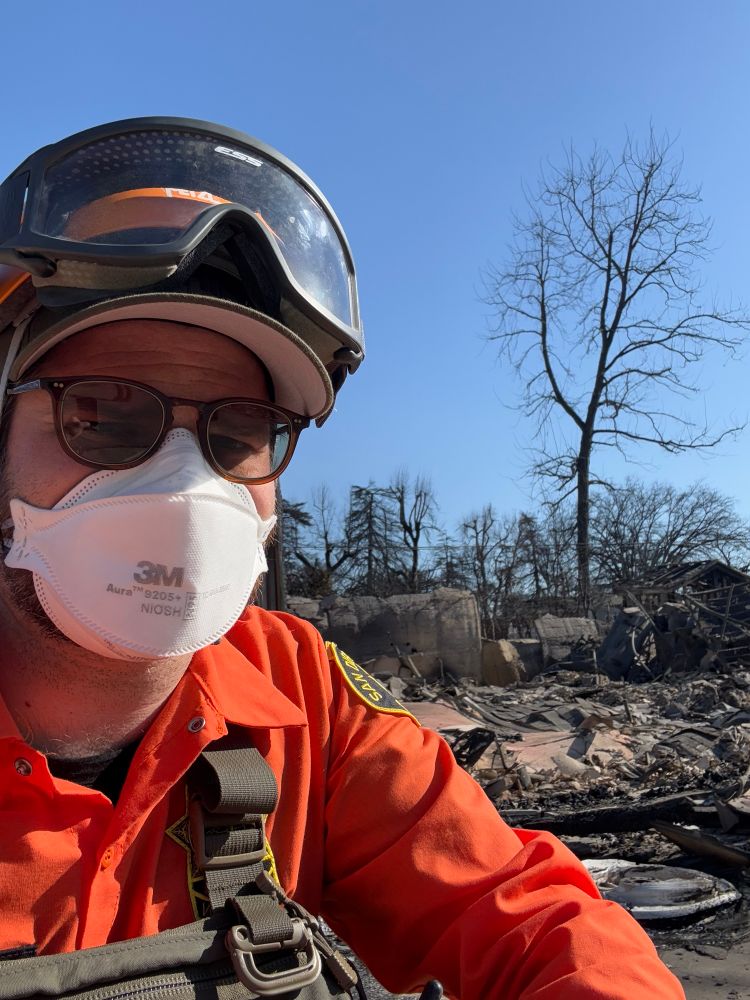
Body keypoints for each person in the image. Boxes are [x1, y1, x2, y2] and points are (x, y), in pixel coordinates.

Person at [0, 117, 684, 999]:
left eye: (239, 432)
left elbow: (523, 917)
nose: (181, 485)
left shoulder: (298, 696)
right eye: (102, 412)